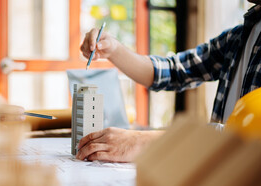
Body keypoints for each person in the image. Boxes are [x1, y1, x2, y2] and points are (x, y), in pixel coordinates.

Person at [77, 1, 261, 162]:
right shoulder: (240, 36)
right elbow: (173, 71)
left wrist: (142, 141)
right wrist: (114, 50)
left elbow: (248, 137)